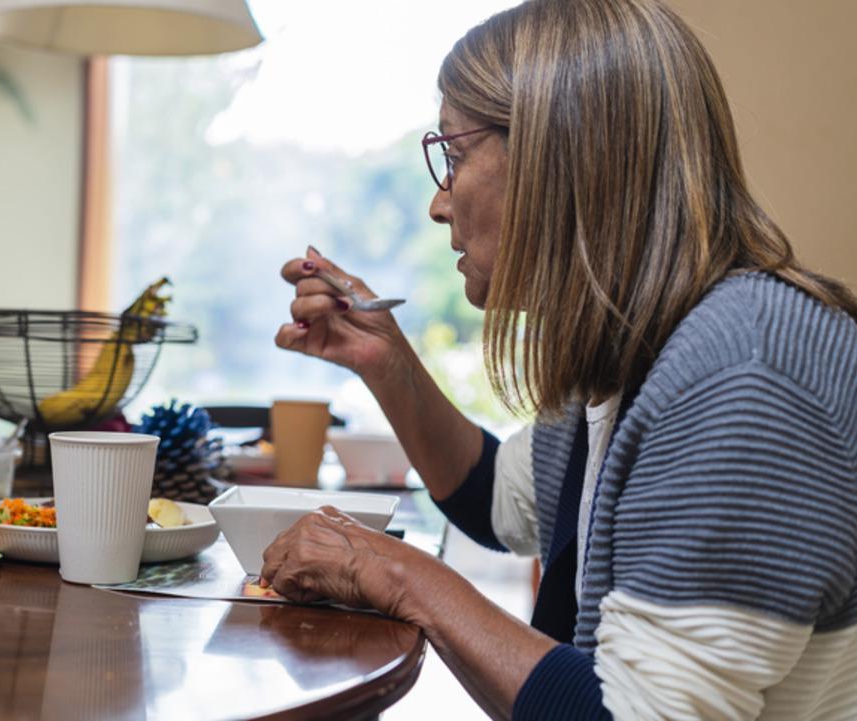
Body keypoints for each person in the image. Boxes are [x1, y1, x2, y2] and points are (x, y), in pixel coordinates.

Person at [262, 0, 857, 718]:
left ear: (563, 159)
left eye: (454, 157)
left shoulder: (742, 377)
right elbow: (497, 500)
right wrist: (387, 362)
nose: (439, 205)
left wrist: (388, 570)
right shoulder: (639, 346)